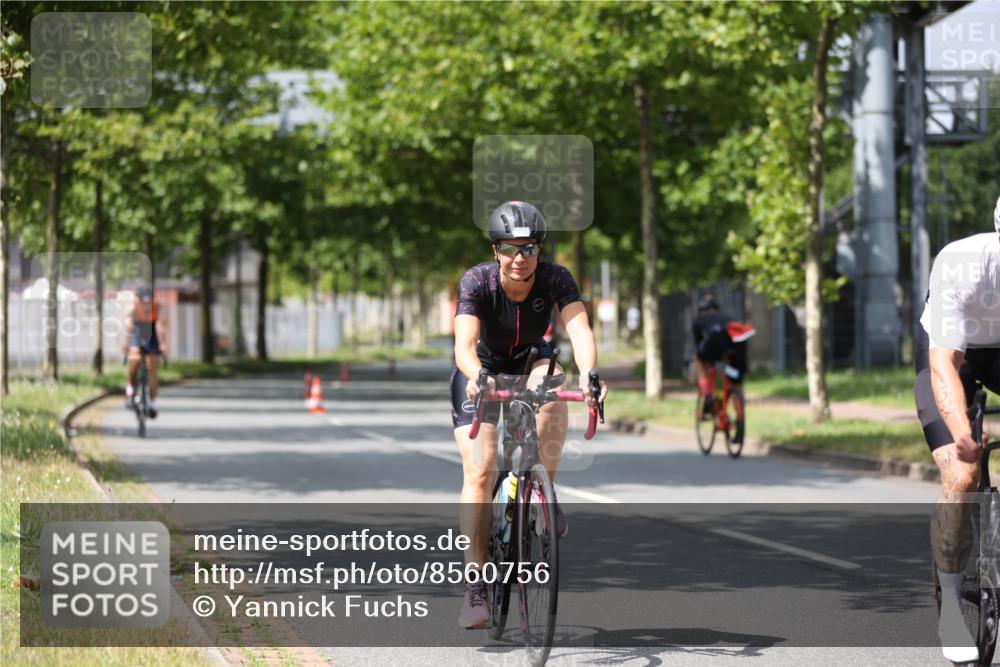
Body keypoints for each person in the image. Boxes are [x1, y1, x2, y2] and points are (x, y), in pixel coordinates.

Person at [451, 201, 607, 629]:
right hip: (480, 369)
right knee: (480, 472)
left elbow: (579, 330)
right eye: (511, 249)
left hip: (531, 361)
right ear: (496, 250)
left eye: (530, 248)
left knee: (553, 389)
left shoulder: (556, 278)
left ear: (540, 249)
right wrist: (477, 375)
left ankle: (543, 487)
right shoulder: (477, 280)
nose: (521, 258)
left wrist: (591, 374)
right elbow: (463, 346)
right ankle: (476, 584)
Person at [915, 195, 1000, 663]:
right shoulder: (963, 263)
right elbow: (945, 365)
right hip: (952, 358)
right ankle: (950, 605)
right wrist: (961, 431)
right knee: (962, 475)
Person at [691, 294, 755, 442]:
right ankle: (740, 420)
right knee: (736, 383)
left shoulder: (699, 321)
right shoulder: (729, 317)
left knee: (700, 360)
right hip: (736, 344)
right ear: (717, 309)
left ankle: (707, 394)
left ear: (701, 311)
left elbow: (698, 346)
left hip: (713, 345)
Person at [123, 287, 166, 418]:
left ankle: (151, 403)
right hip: (138, 332)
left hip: (150, 334)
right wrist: (128, 344)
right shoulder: (134, 306)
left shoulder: (156, 306)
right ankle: (131, 390)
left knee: (151, 368)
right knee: (135, 361)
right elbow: (129, 325)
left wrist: (163, 342)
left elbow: (160, 325)